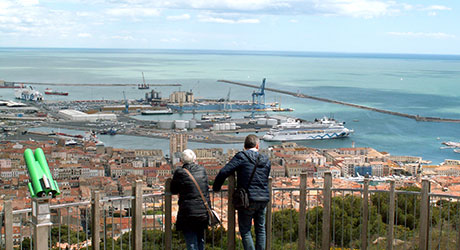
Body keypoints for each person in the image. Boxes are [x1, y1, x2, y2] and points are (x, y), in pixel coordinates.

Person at [213, 135, 271, 250]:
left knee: (245, 230)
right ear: (257, 146)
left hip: (247, 199)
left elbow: (224, 171)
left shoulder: (242, 157)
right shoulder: (266, 160)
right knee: (261, 230)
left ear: (244, 146)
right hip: (263, 199)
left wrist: (216, 187)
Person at [171, 149, 210, 250]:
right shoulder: (202, 170)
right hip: (203, 211)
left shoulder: (179, 172)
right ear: (195, 159)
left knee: (191, 242)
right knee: (200, 239)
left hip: (187, 212)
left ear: (181, 161)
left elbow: (173, 190)